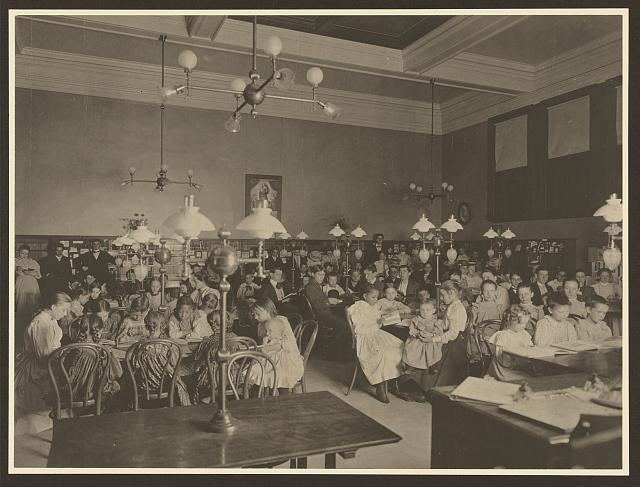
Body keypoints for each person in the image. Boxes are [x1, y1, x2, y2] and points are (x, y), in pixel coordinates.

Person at [14, 292, 71, 434]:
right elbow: (44, 356)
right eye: (64, 310)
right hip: (38, 367)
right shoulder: (41, 323)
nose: (65, 314)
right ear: (53, 307)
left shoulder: (50, 319)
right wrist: (63, 358)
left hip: (49, 362)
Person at [347, 286, 404, 403]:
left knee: (400, 345)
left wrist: (383, 317)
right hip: (365, 336)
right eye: (373, 297)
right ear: (364, 296)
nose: (375, 300)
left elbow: (375, 317)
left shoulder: (371, 307)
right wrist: (378, 323)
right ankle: (380, 385)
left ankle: (394, 380)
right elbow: (359, 327)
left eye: (377, 297)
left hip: (376, 333)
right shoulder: (359, 306)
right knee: (382, 352)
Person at [247, 298, 304, 395]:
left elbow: (288, 343)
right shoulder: (260, 325)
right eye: (254, 314)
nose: (255, 317)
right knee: (255, 370)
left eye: (258, 314)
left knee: (278, 376)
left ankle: (284, 397)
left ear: (268, 310)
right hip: (271, 357)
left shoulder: (281, 320)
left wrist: (267, 349)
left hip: (286, 358)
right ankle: (258, 396)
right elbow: (264, 343)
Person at [133, 311, 191, 406]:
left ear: (147, 326)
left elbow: (135, 365)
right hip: (165, 384)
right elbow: (175, 364)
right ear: (163, 326)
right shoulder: (170, 345)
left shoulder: (140, 345)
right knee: (185, 377)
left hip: (146, 384)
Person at [66, 314, 123, 401]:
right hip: (94, 393)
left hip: (70, 391)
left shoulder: (74, 349)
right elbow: (118, 374)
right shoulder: (103, 351)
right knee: (117, 386)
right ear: (99, 332)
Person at [303, 266, 350, 361]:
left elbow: (320, 301)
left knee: (343, 318)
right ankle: (335, 355)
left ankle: (335, 353)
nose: (321, 277)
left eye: (323, 275)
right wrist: (329, 302)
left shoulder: (316, 285)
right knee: (345, 325)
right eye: (319, 274)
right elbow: (317, 306)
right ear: (312, 274)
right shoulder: (311, 287)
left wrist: (329, 301)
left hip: (324, 313)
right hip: (321, 317)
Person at [486, 305, 535, 381]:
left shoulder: (523, 334)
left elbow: (529, 349)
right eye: (521, 324)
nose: (524, 326)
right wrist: (521, 362)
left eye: (525, 323)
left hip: (519, 366)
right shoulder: (503, 336)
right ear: (511, 322)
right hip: (504, 369)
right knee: (529, 379)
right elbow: (503, 360)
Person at [403, 300, 444, 374]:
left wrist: (432, 335)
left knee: (431, 348)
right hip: (418, 338)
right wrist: (416, 333)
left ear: (433, 310)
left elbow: (439, 332)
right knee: (412, 348)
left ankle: (432, 364)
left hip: (431, 339)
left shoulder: (436, 321)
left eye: (428, 310)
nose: (425, 312)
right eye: (422, 310)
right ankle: (412, 365)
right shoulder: (416, 320)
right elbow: (412, 330)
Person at [15, 245, 43, 339]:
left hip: (32, 285)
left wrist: (29, 272)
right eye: (22, 253)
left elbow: (38, 275)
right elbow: (17, 271)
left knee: (33, 306)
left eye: (26, 253)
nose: (24, 255)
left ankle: (33, 330)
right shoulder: (15, 260)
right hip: (21, 285)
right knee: (21, 305)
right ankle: (20, 331)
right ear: (19, 252)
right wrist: (21, 271)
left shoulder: (33, 262)